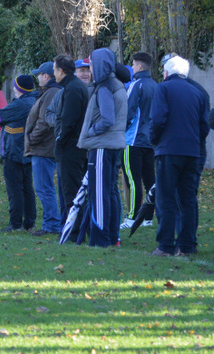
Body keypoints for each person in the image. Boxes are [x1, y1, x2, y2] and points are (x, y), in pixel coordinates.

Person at [151, 55, 210, 257]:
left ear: (166, 72)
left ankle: (166, 245)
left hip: (169, 149)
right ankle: (187, 245)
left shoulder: (163, 88)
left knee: (165, 198)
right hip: (192, 151)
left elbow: (158, 119)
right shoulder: (198, 92)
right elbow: (204, 126)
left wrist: (155, 139)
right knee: (188, 199)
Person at [77, 48, 128, 247]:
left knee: (98, 192)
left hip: (102, 147)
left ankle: (100, 238)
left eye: (90, 64)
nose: (89, 69)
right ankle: (113, 236)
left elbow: (107, 119)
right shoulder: (117, 84)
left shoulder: (105, 87)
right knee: (111, 191)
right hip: (113, 145)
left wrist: (90, 131)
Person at [0, 74, 38, 232]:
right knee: (27, 187)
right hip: (28, 150)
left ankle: (15, 223)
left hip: (14, 150)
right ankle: (30, 222)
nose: (13, 89)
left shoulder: (20, 104)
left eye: (15, 86)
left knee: (15, 189)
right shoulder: (35, 99)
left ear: (20, 89)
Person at [25, 61, 62, 235]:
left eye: (39, 74)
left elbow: (45, 120)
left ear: (46, 76)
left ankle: (52, 224)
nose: (37, 78)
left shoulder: (51, 93)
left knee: (43, 187)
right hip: (45, 147)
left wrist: (32, 138)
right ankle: (52, 222)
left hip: (43, 148)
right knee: (44, 186)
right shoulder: (51, 92)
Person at [120, 52, 157, 229]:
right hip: (150, 141)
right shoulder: (156, 85)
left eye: (133, 64)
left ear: (140, 66)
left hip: (133, 140)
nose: (132, 67)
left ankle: (133, 217)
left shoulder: (136, 85)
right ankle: (148, 218)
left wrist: (121, 130)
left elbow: (128, 112)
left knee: (133, 181)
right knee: (149, 179)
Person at [53, 54, 89, 225]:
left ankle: (74, 230)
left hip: (72, 148)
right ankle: (77, 227)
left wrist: (60, 141)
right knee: (75, 190)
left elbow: (69, 120)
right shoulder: (75, 86)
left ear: (61, 71)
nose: (54, 74)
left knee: (71, 190)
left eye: (54, 70)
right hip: (76, 145)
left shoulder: (73, 88)